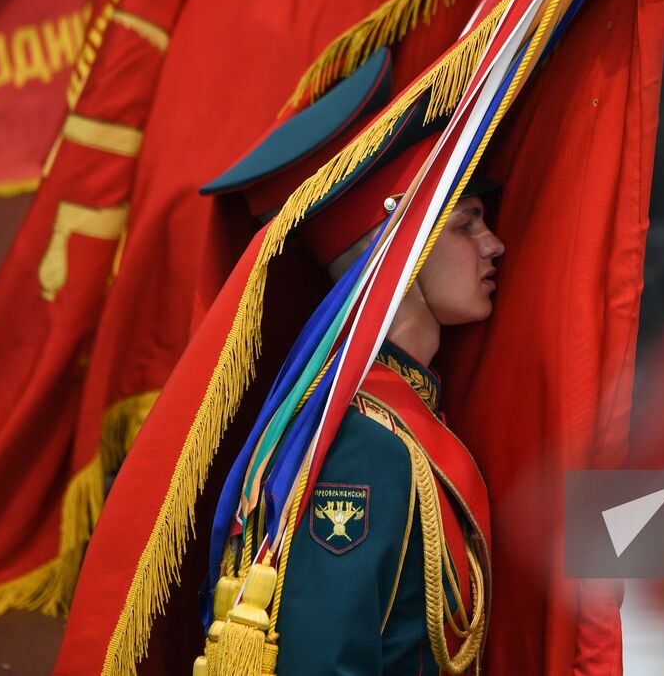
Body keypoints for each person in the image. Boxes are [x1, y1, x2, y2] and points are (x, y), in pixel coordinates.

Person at [193, 49, 502, 675]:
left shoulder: (394, 419)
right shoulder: (361, 443)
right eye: (466, 223)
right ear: (401, 248)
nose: (493, 244)